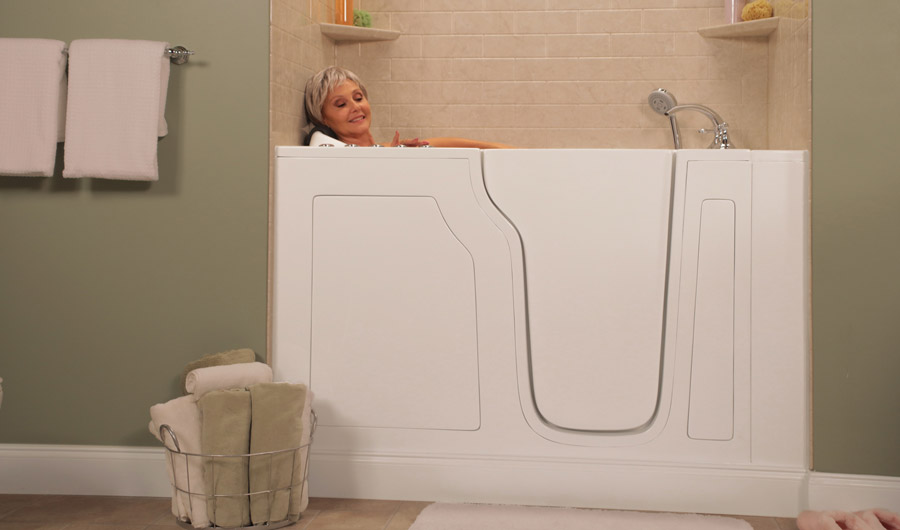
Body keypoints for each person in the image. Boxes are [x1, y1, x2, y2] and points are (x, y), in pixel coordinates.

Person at [303, 66, 512, 148]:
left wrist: (513, 152)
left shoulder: (391, 149)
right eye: (340, 104)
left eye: (358, 98)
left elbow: (460, 145)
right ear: (323, 119)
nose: (355, 107)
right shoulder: (327, 154)